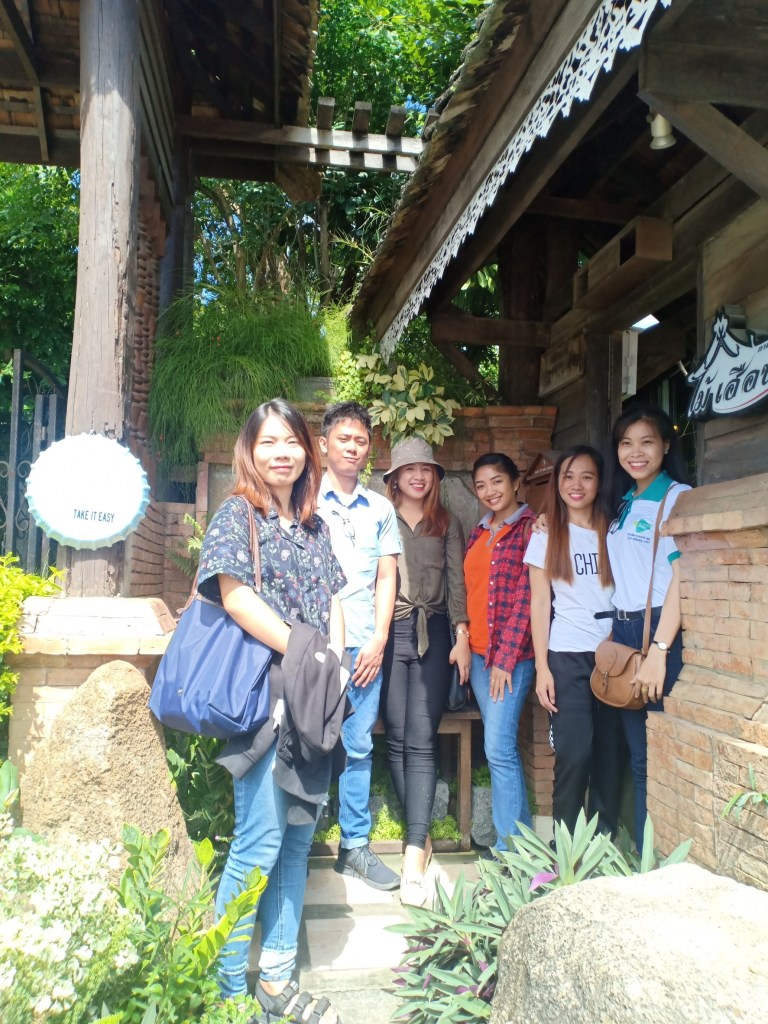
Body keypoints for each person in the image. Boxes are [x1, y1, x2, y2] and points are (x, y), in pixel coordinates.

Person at [197, 399, 346, 1023]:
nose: (282, 453)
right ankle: (229, 990)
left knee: (297, 840)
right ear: (250, 451)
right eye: (268, 442)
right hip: (266, 695)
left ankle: (277, 980)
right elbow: (234, 597)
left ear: (307, 452)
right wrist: (306, 652)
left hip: (315, 695)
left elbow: (333, 599)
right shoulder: (239, 514)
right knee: (258, 843)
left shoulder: (315, 527)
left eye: (292, 441)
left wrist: (334, 662)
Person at [380, 438, 471, 906]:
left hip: (433, 632)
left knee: (420, 736)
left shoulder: (447, 523)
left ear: (435, 476)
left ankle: (414, 853)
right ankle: (423, 835)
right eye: (409, 469)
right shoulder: (381, 517)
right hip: (389, 631)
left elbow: (457, 583)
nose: (418, 476)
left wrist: (462, 636)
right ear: (395, 477)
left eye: (426, 469)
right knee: (396, 736)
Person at [317, 401, 402, 890]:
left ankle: (354, 846)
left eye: (361, 440)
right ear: (323, 444)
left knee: (358, 745)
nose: (352, 447)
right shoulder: (305, 501)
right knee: (304, 739)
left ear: (370, 449)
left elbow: (387, 577)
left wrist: (379, 639)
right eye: (343, 439)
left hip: (365, 649)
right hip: (314, 647)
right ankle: (296, 839)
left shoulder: (381, 509)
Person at [603, 402, 691, 850]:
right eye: (626, 443)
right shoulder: (625, 501)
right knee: (639, 758)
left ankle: (657, 860)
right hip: (624, 635)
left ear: (666, 446)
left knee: (656, 759)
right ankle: (644, 859)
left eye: (646, 442)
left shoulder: (676, 497)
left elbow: (682, 577)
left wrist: (659, 650)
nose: (635, 452)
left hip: (656, 633)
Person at [524, 445, 621, 836]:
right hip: (567, 656)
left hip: (615, 656)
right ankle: (564, 848)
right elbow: (539, 603)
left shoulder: (616, 530)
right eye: (568, 476)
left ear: (600, 482)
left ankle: (603, 845)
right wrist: (542, 668)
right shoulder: (546, 534)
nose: (576, 485)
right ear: (557, 482)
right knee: (574, 754)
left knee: (610, 757)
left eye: (587, 476)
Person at [465, 453, 536, 852]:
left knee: (498, 748)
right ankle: (523, 848)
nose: (489, 491)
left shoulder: (529, 529)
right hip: (478, 655)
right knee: (501, 749)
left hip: (509, 660)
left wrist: (505, 661)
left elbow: (527, 600)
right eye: (481, 485)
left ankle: (510, 855)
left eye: (497, 481)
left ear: (515, 482)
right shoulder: (480, 530)